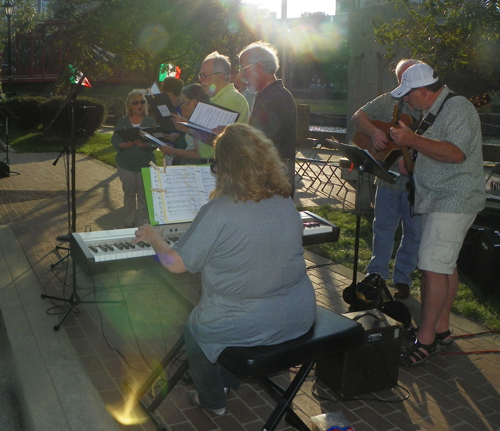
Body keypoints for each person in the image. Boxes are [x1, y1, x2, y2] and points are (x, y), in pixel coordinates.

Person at [134, 123, 316, 415]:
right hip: (299, 315)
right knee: (226, 324)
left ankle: (212, 399)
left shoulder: (218, 211)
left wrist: (155, 237)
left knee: (196, 328)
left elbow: (177, 264)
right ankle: (228, 381)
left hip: (249, 322)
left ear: (225, 167)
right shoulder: (285, 200)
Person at [389, 63, 485, 366]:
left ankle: (426, 339)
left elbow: (456, 154)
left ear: (422, 90)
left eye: (408, 96)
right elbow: (440, 148)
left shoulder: (458, 108)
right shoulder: (439, 109)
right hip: (442, 199)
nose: (406, 101)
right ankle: (442, 330)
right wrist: (414, 157)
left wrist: (412, 142)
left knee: (431, 267)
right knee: (444, 265)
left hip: (453, 201)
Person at [351, 59, 423, 300]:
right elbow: (357, 117)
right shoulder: (388, 100)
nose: (405, 82)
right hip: (387, 179)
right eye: (402, 77)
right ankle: (377, 275)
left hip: (417, 182)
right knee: (382, 228)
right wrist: (374, 132)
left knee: (413, 232)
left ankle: (402, 279)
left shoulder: (428, 107)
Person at [238, 41, 297, 197]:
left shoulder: (277, 98)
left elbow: (261, 143)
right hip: (268, 178)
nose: (242, 75)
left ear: (258, 67)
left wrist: (230, 138)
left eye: (244, 69)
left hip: (272, 183)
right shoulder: (267, 95)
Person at [111, 89, 157, 228]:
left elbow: (156, 141)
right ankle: (129, 222)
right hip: (126, 164)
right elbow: (114, 139)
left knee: (144, 196)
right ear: (130, 106)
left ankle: (144, 224)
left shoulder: (150, 121)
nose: (139, 105)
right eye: (135, 102)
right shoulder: (122, 121)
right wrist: (122, 145)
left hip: (146, 163)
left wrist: (146, 145)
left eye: (142, 102)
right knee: (129, 194)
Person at [159, 83, 214, 164]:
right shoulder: (194, 120)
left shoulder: (202, 121)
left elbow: (197, 154)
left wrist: (172, 151)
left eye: (184, 102)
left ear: (194, 102)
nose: (182, 106)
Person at [198, 51, 249, 123]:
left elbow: (216, 132)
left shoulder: (233, 99)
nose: (200, 79)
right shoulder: (218, 98)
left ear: (220, 77)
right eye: (200, 75)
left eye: (204, 75)